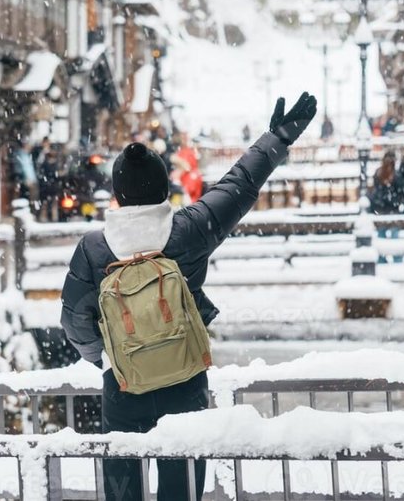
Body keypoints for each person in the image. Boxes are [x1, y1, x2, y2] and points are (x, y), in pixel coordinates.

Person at [60, 92, 318, 501]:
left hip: (123, 387)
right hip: (184, 381)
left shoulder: (93, 248)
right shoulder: (188, 230)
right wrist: (276, 139)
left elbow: (74, 321)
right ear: (164, 187)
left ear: (118, 193)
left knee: (122, 486)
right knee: (181, 489)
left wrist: (109, 358)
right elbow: (238, 185)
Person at [369, 151, 401, 261]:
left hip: (381, 209)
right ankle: (397, 260)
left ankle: (382, 259)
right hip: (392, 209)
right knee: (394, 238)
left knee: (382, 237)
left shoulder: (378, 173)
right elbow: (400, 191)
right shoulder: (396, 175)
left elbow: (375, 192)